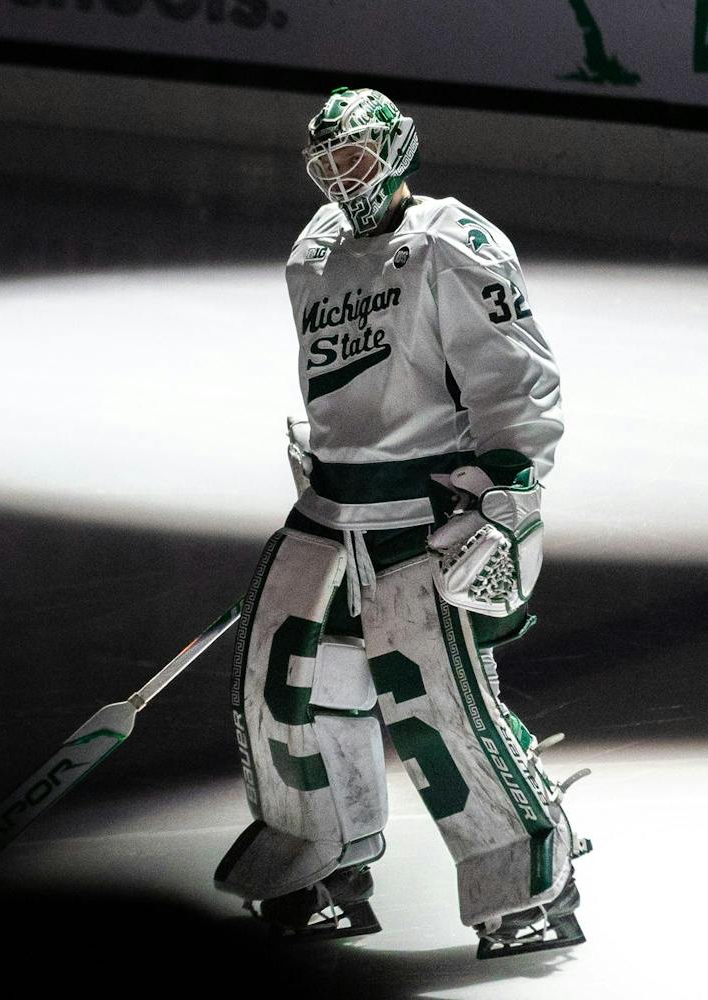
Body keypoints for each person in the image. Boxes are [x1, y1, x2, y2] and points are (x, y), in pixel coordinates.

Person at [214, 87, 591, 958]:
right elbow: (337, 384)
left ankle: (528, 878)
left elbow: (518, 380)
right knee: (287, 693)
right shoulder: (312, 251)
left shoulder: (454, 241)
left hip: (421, 513)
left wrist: (508, 496)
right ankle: (319, 858)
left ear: (399, 150)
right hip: (326, 508)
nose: (345, 177)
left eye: (358, 157)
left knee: (435, 709)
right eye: (329, 162)